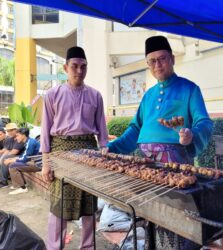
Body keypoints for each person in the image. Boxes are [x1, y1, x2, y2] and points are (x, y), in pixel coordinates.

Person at [104, 36, 213, 250]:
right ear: (147, 64)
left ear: (172, 59)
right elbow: (135, 129)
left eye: (162, 59)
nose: (157, 65)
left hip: (175, 166)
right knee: (153, 215)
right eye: (152, 61)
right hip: (147, 166)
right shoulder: (148, 96)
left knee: (180, 218)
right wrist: (111, 148)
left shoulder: (190, 89)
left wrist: (192, 135)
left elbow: (205, 122)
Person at [40, 46, 109, 250]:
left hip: (89, 150)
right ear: (65, 67)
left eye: (83, 66)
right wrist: (46, 162)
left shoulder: (95, 96)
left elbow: (102, 131)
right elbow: (45, 131)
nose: (79, 71)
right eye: (74, 66)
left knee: (89, 204)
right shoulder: (51, 95)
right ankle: (54, 247)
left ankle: (88, 247)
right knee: (59, 205)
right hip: (60, 151)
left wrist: (104, 149)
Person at [7, 127, 40, 195]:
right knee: (12, 162)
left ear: (23, 135)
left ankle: (22, 188)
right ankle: (21, 184)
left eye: (17, 135)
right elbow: (24, 156)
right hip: (34, 162)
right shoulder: (28, 141)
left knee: (13, 166)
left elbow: (25, 159)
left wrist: (12, 161)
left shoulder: (30, 143)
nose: (16, 138)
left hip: (38, 165)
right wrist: (12, 159)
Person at [0, 123, 25, 188]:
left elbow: (15, 152)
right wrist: (2, 157)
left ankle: (3, 182)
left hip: (21, 155)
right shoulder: (9, 139)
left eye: (12, 130)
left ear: (16, 130)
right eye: (8, 131)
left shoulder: (19, 137)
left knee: (5, 158)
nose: (10, 132)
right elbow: (6, 150)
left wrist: (4, 157)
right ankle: (3, 176)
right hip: (14, 155)